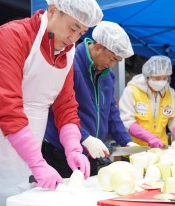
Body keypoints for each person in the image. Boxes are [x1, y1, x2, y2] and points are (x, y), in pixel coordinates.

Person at [0, 0, 103, 206]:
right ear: (52, 11)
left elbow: (66, 106)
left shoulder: (66, 55)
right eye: (72, 28)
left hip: (23, 147)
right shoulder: (11, 36)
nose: (74, 39)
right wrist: (37, 162)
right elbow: (6, 105)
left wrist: (73, 148)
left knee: (14, 199)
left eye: (81, 33)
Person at [42, 21, 138, 177]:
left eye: (117, 61)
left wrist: (126, 142)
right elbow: (58, 109)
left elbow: (111, 112)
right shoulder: (70, 63)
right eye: (112, 59)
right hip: (60, 150)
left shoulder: (108, 76)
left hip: (91, 151)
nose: (112, 65)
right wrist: (84, 137)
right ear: (99, 46)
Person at [119, 56, 175, 148]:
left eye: (165, 78)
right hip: (136, 150)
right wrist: (149, 138)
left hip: (160, 148)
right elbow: (127, 121)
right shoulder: (132, 91)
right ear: (147, 76)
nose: (161, 82)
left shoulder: (170, 93)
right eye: (157, 78)